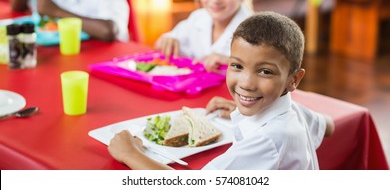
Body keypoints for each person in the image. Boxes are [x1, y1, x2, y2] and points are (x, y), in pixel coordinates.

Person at [108, 11, 335, 170]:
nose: (246, 83)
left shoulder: (270, 139)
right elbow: (328, 125)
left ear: (294, 80)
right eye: (237, 66)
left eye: (265, 72)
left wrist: (130, 153)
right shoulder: (292, 110)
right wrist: (244, 105)